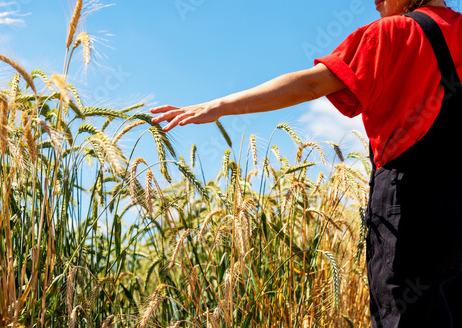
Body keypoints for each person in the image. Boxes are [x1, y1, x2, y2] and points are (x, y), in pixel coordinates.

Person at [150, 0, 462, 327]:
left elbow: (313, 83)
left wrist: (218, 105)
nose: (376, 1)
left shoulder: (394, 32)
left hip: (410, 206)